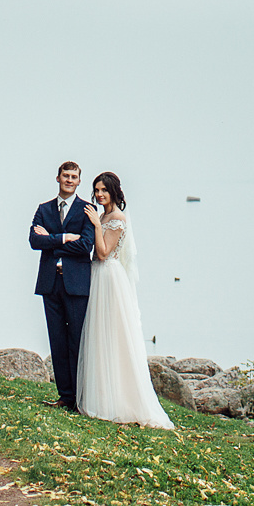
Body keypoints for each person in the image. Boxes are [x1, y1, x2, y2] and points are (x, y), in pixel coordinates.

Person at [75, 171, 172, 428]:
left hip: (109, 277)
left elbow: (103, 253)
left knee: (112, 334)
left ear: (114, 192)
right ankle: (100, 395)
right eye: (97, 190)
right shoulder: (103, 216)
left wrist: (97, 226)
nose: (99, 194)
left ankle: (118, 400)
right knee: (98, 335)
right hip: (97, 275)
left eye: (104, 190)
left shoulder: (116, 218)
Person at [28, 160, 94, 411]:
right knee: (57, 341)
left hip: (76, 285)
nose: (69, 180)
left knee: (77, 342)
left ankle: (80, 398)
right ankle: (65, 396)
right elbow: (34, 241)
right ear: (58, 178)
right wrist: (65, 238)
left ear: (79, 181)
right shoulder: (43, 209)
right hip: (50, 284)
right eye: (65, 175)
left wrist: (52, 241)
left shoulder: (87, 209)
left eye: (73, 177)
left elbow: (85, 245)